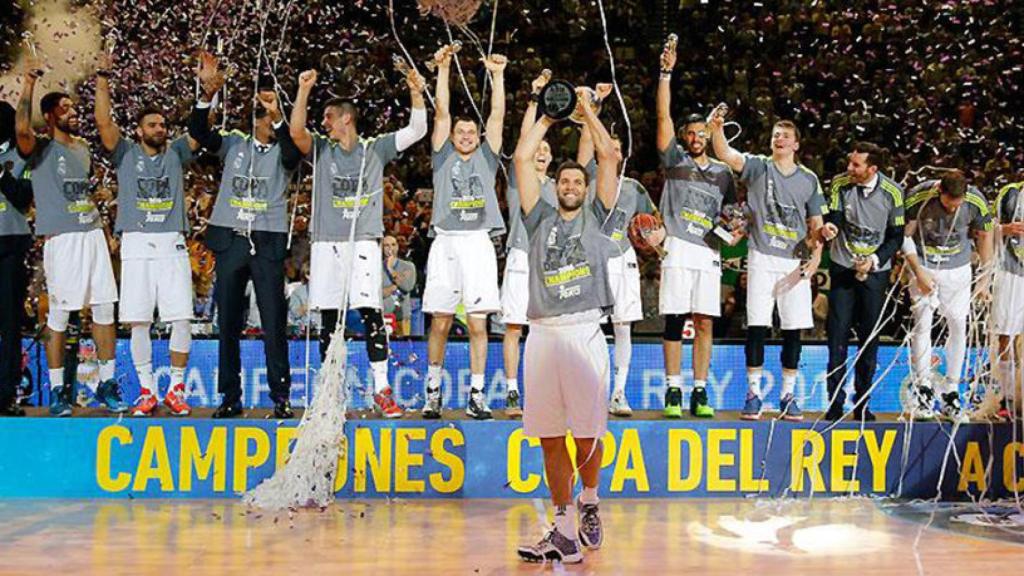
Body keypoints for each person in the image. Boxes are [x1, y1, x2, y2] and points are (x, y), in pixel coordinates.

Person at [513, 88, 618, 565]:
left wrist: (588, 111)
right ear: (556, 187)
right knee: (550, 437)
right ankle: (561, 530)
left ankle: (589, 500)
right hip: (542, 334)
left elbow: (609, 153)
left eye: (578, 179)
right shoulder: (537, 221)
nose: (572, 185)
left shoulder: (597, 216)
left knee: (586, 434)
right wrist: (551, 116)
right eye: (566, 181)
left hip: (583, 330)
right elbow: (519, 156)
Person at [291, 66, 427, 419]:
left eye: (329, 117)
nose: (324, 123)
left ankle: (382, 389)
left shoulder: (374, 149)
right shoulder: (321, 149)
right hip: (325, 244)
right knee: (330, 318)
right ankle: (329, 393)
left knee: (371, 314)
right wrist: (304, 90)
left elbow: (418, 130)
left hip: (364, 242)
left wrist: (415, 91)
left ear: (346, 119)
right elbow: (295, 131)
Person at [188, 52, 302, 419]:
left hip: (267, 242)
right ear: (254, 122)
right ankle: (230, 396)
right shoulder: (235, 143)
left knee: (273, 323)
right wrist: (206, 95)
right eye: (265, 116)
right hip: (232, 241)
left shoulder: (285, 151)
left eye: (271, 117)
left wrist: (281, 115)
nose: (268, 121)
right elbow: (200, 133)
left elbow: (292, 153)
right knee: (228, 324)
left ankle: (280, 397)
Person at [15, 59, 125, 416]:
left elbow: (86, 195)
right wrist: (29, 84)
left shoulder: (82, 149)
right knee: (60, 315)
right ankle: (61, 389)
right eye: (65, 109)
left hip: (91, 233)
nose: (73, 113)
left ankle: (108, 384)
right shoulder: (41, 147)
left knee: (105, 309)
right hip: (62, 239)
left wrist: (105, 231)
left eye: (74, 108)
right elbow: (21, 130)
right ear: (49, 116)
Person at [94, 52, 200, 417]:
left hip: (172, 241)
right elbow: (104, 122)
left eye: (162, 124)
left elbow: (201, 131)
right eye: (152, 125)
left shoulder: (176, 153)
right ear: (139, 130)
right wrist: (104, 77)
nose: (160, 129)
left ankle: (177, 389)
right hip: (136, 242)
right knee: (139, 319)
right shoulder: (124, 153)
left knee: (181, 318)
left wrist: (210, 93)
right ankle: (146, 391)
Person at [711, 114, 827, 421]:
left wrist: (814, 261)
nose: (779, 139)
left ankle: (788, 395)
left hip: (793, 262)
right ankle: (753, 395)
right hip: (761, 256)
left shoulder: (809, 179)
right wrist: (718, 128)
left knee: (793, 329)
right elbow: (724, 154)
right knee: (758, 326)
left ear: (796, 144)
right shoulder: (759, 166)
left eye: (785, 136)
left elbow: (816, 225)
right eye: (776, 134)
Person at [421, 46, 508, 420]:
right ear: (453, 136)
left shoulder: (488, 158)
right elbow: (440, 112)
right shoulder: (442, 157)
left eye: (473, 131)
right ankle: (433, 392)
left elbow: (499, 115)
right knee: (440, 319)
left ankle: (476, 395)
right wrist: (442, 70)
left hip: (477, 244)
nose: (468, 135)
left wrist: (498, 76)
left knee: (478, 322)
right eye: (462, 131)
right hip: (445, 242)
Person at [654, 42, 739, 419]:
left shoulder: (723, 172)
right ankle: (674, 390)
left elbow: (734, 213)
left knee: (704, 321)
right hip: (676, 248)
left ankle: (700, 391)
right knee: (675, 320)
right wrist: (666, 74)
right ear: (685, 137)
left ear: (709, 135)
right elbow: (662, 118)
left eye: (701, 132)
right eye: (690, 132)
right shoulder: (674, 160)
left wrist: (730, 235)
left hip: (708, 254)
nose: (695, 137)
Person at [577, 103, 656, 418]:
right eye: (604, 145)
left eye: (614, 147)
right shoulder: (586, 177)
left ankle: (618, 392)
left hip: (624, 260)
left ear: (622, 154)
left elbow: (654, 224)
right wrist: (588, 109)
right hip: (592, 262)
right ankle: (588, 392)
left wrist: (655, 237)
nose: (609, 150)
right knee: (587, 329)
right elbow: (586, 146)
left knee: (623, 327)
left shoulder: (635, 188)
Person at [821, 142, 905, 422]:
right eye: (849, 162)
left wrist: (874, 261)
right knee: (837, 338)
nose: (849, 169)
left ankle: (863, 404)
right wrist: (830, 226)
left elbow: (896, 236)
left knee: (869, 340)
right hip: (843, 267)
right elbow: (833, 216)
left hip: (875, 272)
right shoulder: (840, 183)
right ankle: (834, 404)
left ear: (873, 168)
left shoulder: (893, 193)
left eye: (856, 165)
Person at [902, 171, 993, 422]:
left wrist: (984, 279)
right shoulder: (918, 196)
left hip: (959, 269)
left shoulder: (976, 200)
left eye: (957, 204)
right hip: (924, 265)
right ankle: (923, 388)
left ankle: (952, 391)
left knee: (957, 324)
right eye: (948, 203)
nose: (953, 209)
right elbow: (904, 234)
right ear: (939, 190)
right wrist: (918, 271)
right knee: (922, 325)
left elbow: (985, 236)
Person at [501, 70, 557, 418]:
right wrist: (536, 99)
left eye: (546, 149)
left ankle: (543, 393)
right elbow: (525, 142)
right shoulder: (517, 182)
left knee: (545, 331)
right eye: (537, 147)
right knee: (514, 327)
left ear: (550, 159)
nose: (540, 151)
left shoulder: (558, 186)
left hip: (548, 265)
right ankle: (511, 392)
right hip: (520, 258)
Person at [983, 180, 1024, 420]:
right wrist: (1005, 230)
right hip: (1010, 271)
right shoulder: (1009, 193)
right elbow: (986, 227)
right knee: (1006, 336)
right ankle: (1007, 399)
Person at [0, 101, 31, 416]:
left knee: (9, 326)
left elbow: (23, 198)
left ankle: (6, 394)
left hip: (9, 247)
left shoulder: (21, 157)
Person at [382, 235, 417, 334]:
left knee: (403, 347)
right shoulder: (376, 268)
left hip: (402, 317)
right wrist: (393, 287)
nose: (390, 248)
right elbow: (374, 293)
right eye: (386, 245)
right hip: (383, 316)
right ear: (382, 248)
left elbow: (407, 286)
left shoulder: (408, 266)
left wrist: (390, 269)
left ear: (397, 247)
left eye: (393, 245)